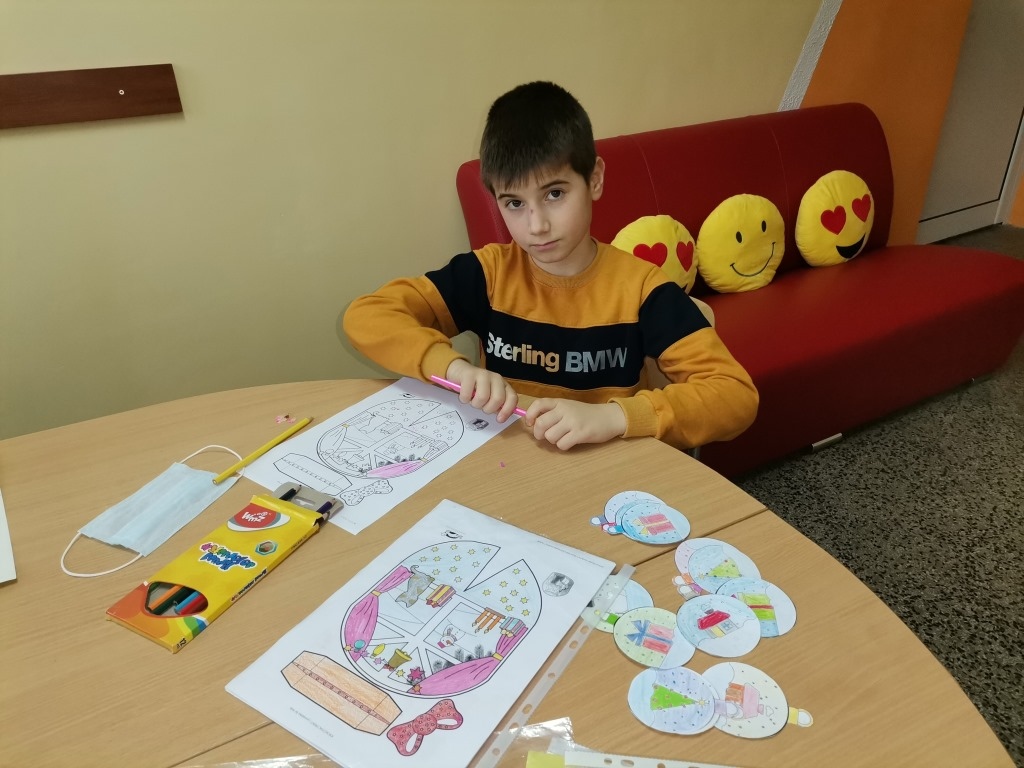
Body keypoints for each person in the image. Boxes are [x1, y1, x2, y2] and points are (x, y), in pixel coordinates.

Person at [343, 81, 757, 451]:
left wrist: (614, 417)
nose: (537, 225)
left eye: (555, 194)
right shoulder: (489, 274)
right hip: (508, 463)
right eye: (514, 203)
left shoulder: (642, 289)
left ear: (594, 179)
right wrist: (452, 369)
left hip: (607, 468)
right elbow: (367, 316)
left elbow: (735, 396)